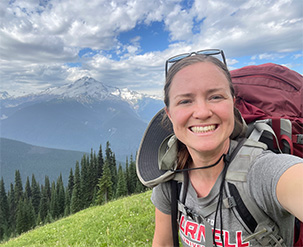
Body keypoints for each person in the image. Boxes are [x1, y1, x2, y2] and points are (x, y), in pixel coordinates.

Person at [136, 49, 303, 247]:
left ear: (232, 104)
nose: (202, 112)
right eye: (185, 101)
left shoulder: (263, 173)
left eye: (215, 97)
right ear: (170, 114)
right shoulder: (170, 180)